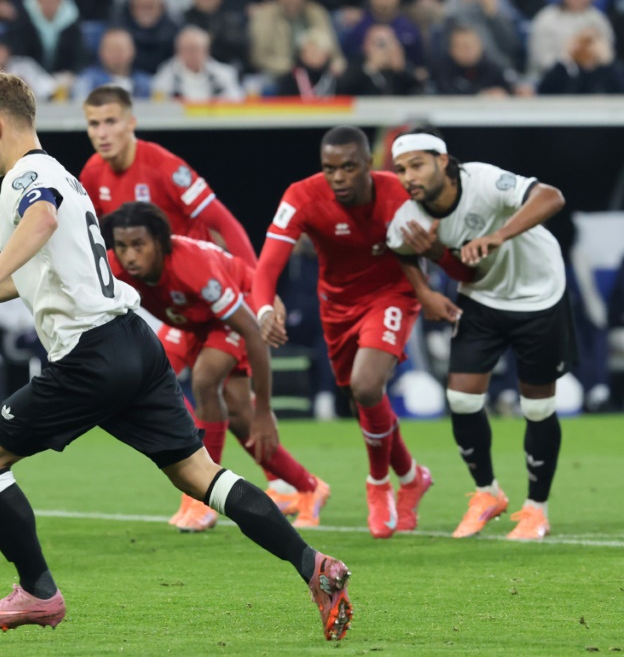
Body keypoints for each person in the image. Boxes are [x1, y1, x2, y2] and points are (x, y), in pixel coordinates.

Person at [0, 69, 353, 640]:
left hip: (91, 356)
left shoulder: (26, 176)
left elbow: (41, 220)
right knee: (199, 474)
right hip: (135, 341)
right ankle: (315, 567)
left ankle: (37, 592)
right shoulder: (67, 175)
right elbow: (42, 272)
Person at [252, 126, 471, 539]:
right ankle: (411, 476)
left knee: (367, 386)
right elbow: (267, 265)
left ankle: (378, 484)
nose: (338, 177)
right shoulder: (301, 196)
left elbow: (440, 250)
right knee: (362, 398)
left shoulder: (399, 194)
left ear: (368, 165)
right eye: (330, 168)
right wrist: (265, 307)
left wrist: (428, 289)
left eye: (349, 167)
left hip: (392, 294)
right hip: (336, 306)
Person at [387, 128, 578, 541]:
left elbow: (552, 197)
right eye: (400, 169)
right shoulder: (410, 218)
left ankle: (536, 510)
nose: (408, 177)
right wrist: (425, 288)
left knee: (538, 408)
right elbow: (408, 253)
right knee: (461, 398)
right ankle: (488, 493)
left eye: (417, 165)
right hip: (482, 298)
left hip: (539, 295)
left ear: (442, 161)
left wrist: (498, 235)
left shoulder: (482, 180)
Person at [103, 203, 330, 532]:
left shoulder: (194, 269)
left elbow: (251, 331)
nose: (129, 256)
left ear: (161, 242)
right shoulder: (114, 268)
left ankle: (202, 497)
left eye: (139, 245)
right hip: (194, 319)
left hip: (238, 306)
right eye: (122, 246)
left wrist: (265, 409)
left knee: (206, 381)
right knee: (232, 414)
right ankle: (309, 487)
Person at [79, 85, 257, 266]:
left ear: (131, 123)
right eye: (94, 124)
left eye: (111, 122)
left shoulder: (165, 167)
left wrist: (255, 285)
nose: (102, 134)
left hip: (196, 273)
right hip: (146, 278)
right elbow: (83, 232)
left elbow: (225, 223)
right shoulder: (92, 173)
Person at [152, 25, 244, 101]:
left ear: (206, 51)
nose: (191, 54)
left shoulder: (224, 74)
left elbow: (236, 102)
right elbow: (160, 106)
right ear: (177, 51)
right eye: (186, 49)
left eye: (195, 49)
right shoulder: (165, 76)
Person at [73, 27, 154, 99]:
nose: (117, 54)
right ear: (101, 52)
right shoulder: (86, 82)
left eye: (121, 49)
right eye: (112, 50)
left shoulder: (145, 83)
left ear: (132, 51)